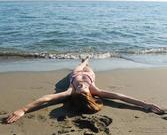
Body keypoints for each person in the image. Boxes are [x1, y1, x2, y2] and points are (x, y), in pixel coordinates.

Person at [6, 56, 164, 124]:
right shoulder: (96, 90)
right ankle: (86, 60)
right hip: (89, 73)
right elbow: (120, 97)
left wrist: (23, 109)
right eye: (83, 89)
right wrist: (144, 104)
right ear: (90, 95)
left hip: (75, 74)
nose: (82, 86)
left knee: (79, 66)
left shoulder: (70, 91)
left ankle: (83, 60)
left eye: (80, 88)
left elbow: (46, 99)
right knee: (87, 65)